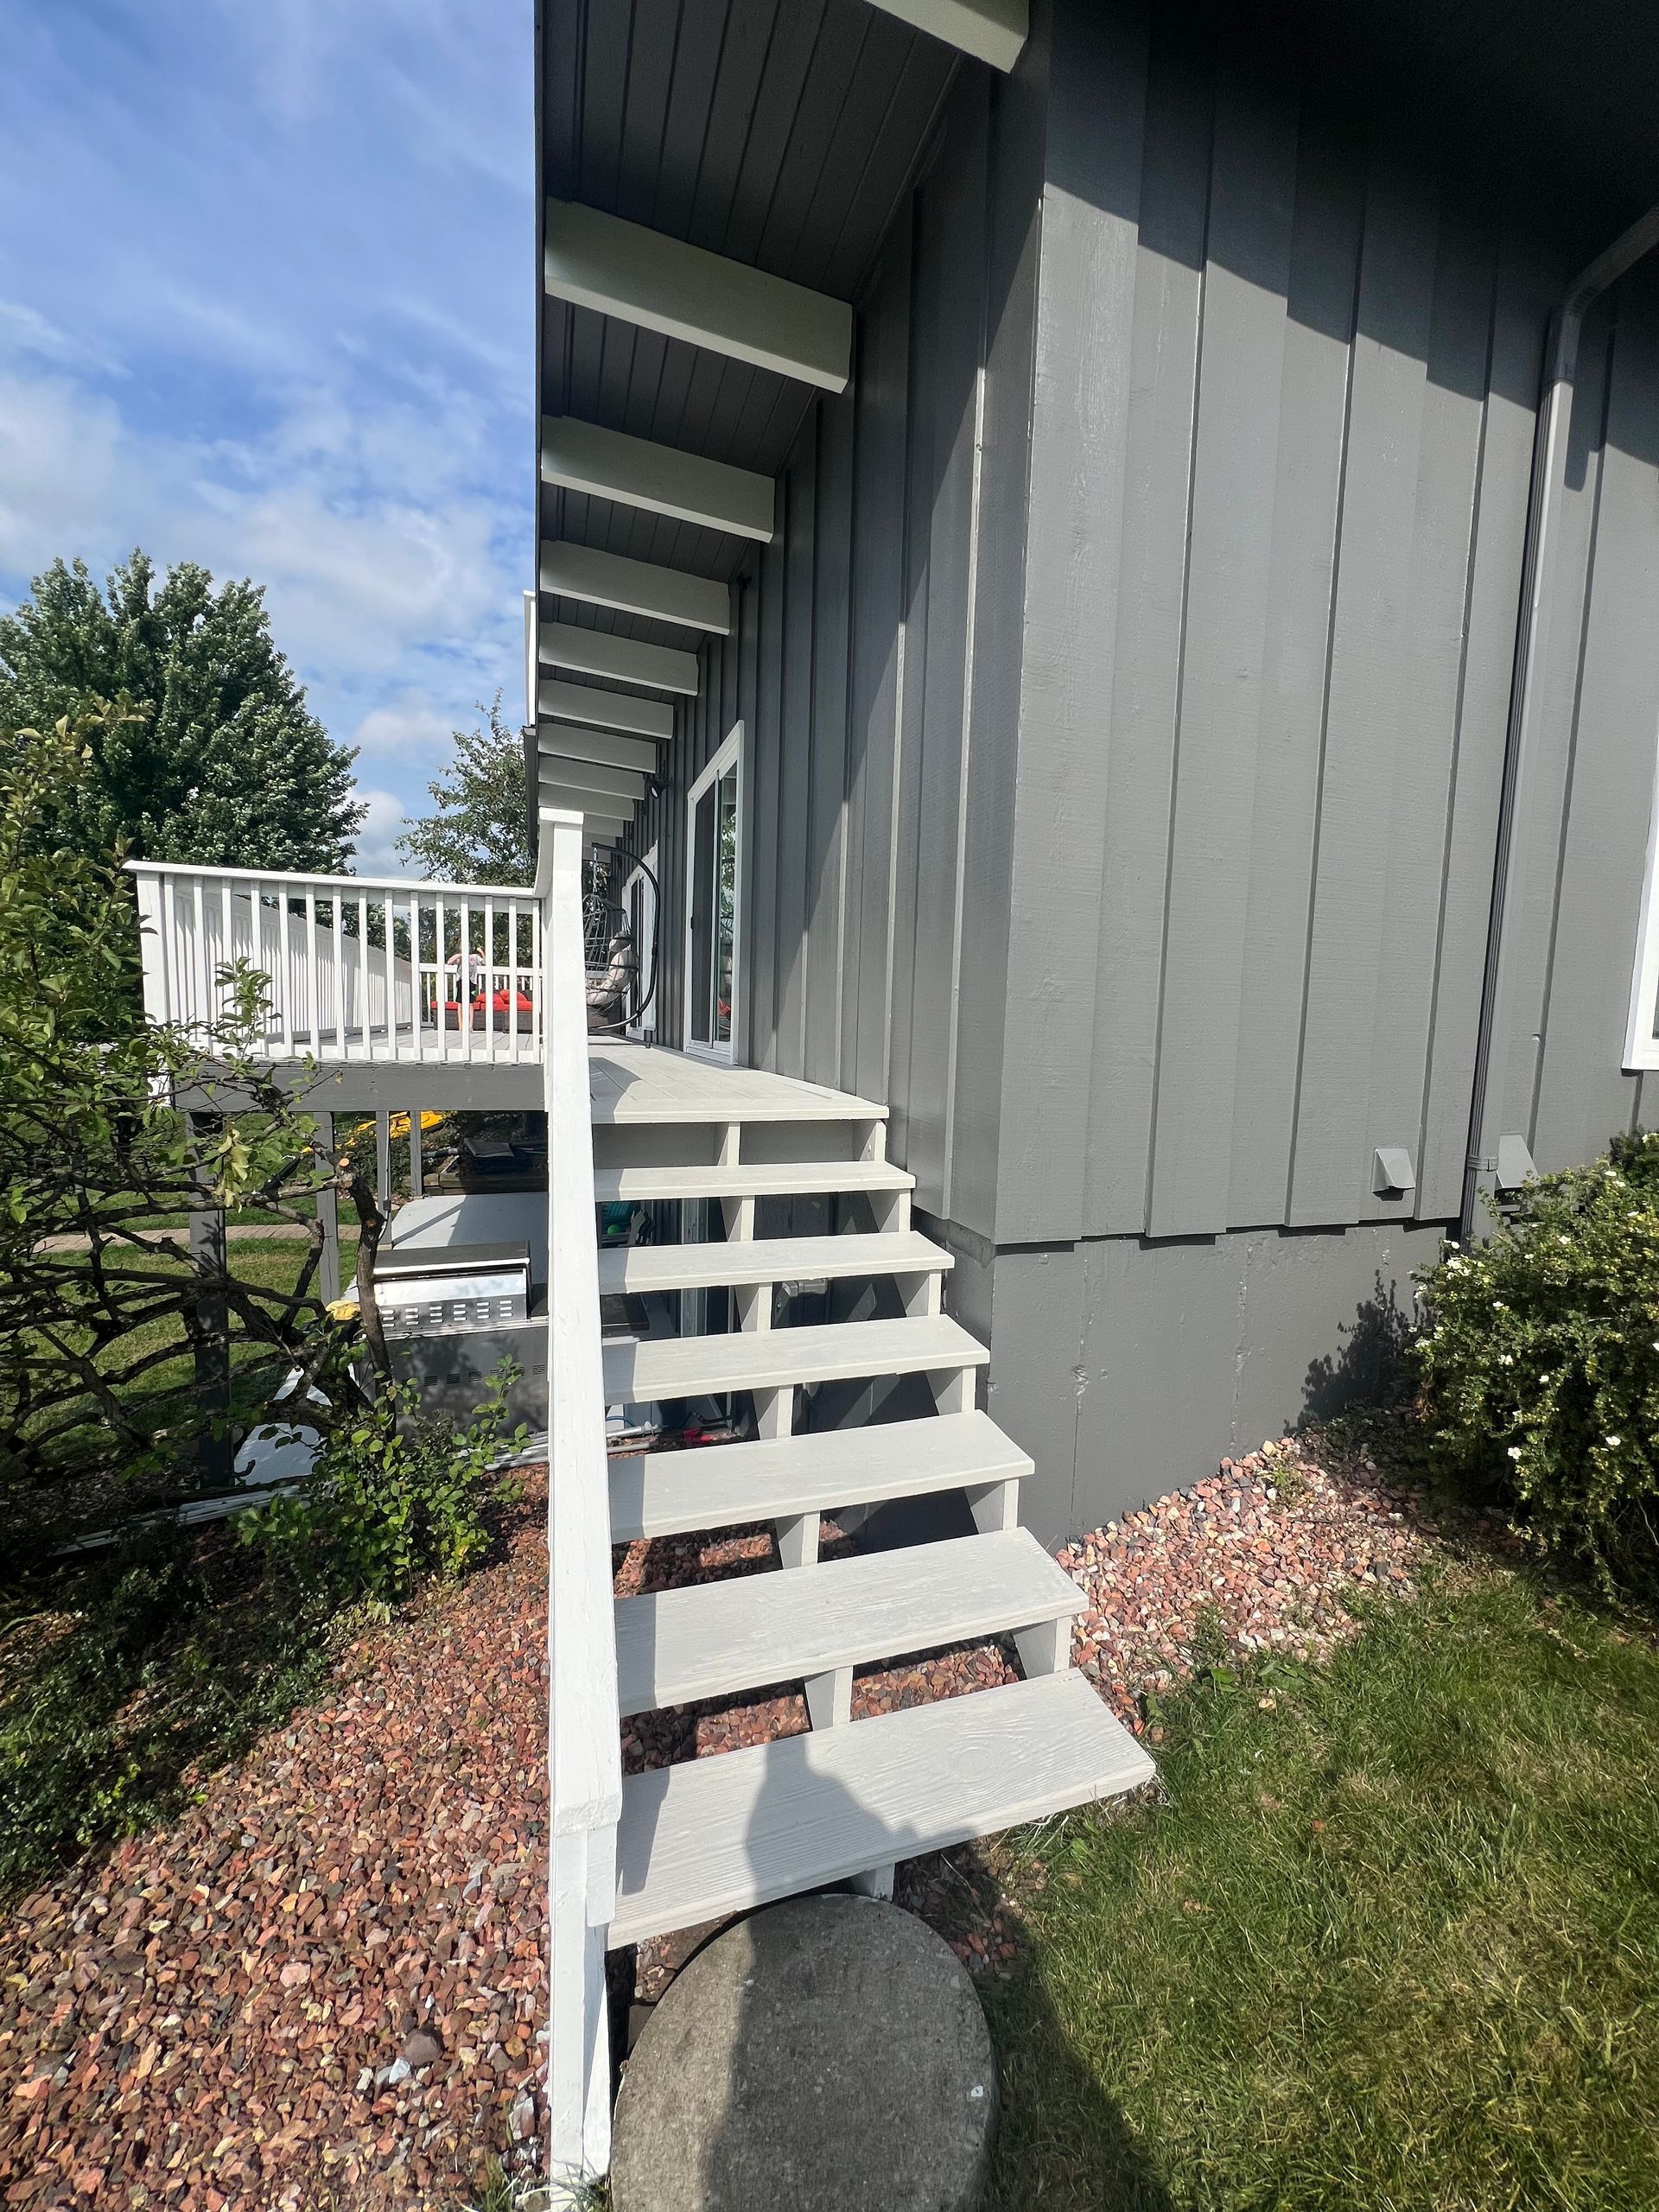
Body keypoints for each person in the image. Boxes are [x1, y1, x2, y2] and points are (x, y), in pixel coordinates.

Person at [585, 922, 639, 1035]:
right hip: (609, 991)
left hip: (606, 991)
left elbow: (612, 983)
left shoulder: (621, 959)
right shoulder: (624, 958)